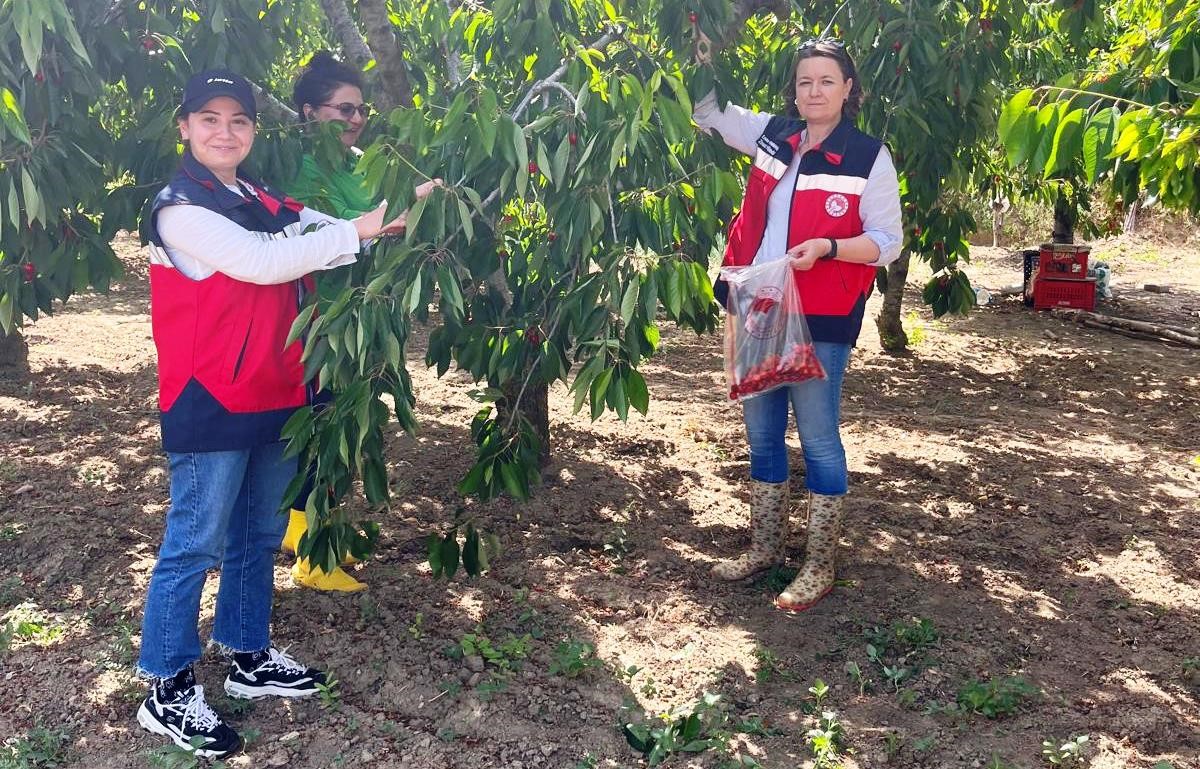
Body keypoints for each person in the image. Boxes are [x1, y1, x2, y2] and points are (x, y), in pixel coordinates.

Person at [135, 68, 407, 758]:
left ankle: (247, 652)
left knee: (256, 534)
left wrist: (400, 209)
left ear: (253, 131)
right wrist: (355, 229)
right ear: (185, 128)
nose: (224, 132)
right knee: (195, 540)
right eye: (210, 119)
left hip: (274, 391)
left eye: (239, 121)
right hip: (211, 399)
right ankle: (166, 685)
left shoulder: (254, 194)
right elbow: (260, 263)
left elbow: (320, 227)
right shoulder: (179, 208)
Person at [694, 39, 902, 612]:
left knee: (817, 438)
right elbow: (707, 112)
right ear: (795, 89)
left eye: (827, 81)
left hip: (822, 314)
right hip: (759, 305)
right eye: (805, 81)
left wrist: (831, 247)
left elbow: (887, 243)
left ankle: (819, 562)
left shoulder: (866, 156)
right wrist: (705, 49)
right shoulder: (773, 136)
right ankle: (765, 547)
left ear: (849, 89)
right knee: (760, 432)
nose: (814, 91)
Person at [277, 50, 440, 592]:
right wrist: (381, 223)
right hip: (321, 317)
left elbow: (378, 218)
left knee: (335, 422)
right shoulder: (299, 167)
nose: (355, 119)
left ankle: (304, 531)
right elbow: (321, 233)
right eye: (343, 109)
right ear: (309, 113)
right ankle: (311, 555)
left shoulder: (356, 162)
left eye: (361, 111)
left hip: (359, 315)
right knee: (325, 427)